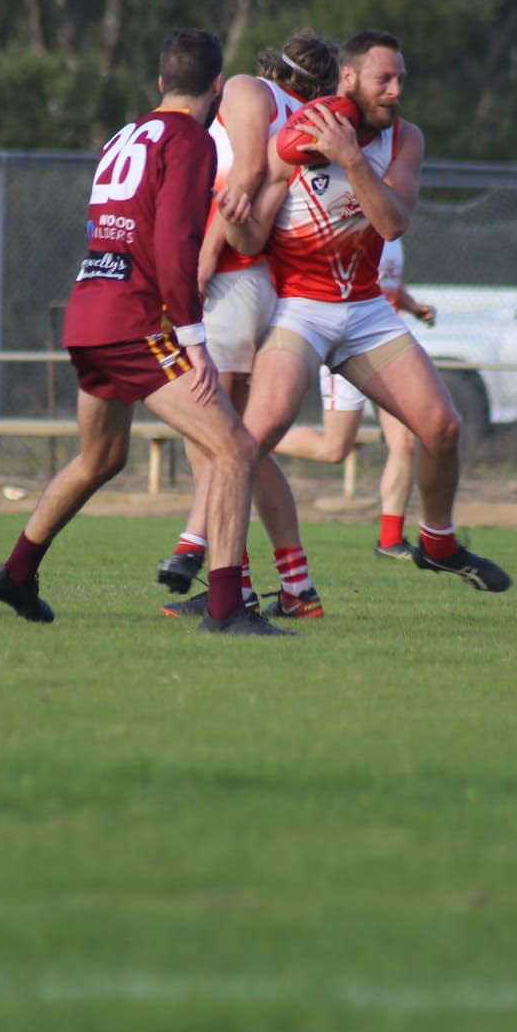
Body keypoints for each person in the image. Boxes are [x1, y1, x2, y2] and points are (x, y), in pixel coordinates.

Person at [0, 29, 288, 636]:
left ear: (160, 84)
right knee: (236, 450)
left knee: (102, 457)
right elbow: (175, 243)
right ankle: (226, 609)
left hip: (89, 313)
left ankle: (17, 572)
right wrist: (194, 341)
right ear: (218, 90)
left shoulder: (124, 135)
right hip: (133, 323)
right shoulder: (191, 139)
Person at [225, 29, 512, 594]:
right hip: (301, 309)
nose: (396, 90)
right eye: (385, 79)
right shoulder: (299, 134)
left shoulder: (404, 139)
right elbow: (252, 237)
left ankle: (437, 540)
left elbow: (393, 221)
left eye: (401, 78)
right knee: (254, 438)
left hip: (365, 310)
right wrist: (233, 215)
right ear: (349, 79)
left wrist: (352, 160)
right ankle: (223, 583)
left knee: (443, 427)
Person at [157, 30, 341, 620]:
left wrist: (203, 261)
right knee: (246, 450)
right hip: (271, 283)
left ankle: (204, 560)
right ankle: (295, 586)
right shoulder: (310, 116)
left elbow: (243, 178)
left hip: (233, 277)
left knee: (217, 443)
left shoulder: (245, 89)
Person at [271, 238, 436, 559]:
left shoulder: (391, 223)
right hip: (345, 342)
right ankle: (250, 440)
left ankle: (390, 540)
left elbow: (386, 285)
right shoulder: (349, 214)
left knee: (405, 440)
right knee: (334, 449)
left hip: (385, 342)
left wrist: (413, 306)